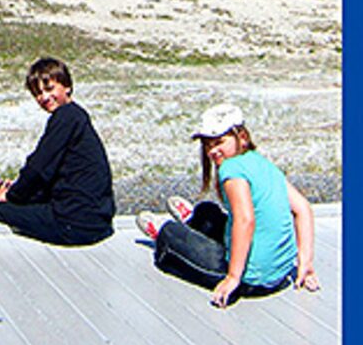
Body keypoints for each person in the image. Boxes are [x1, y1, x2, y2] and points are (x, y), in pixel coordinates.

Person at [136, 103, 321, 308]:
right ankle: (193, 220)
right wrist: (306, 264)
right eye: (208, 145)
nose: (212, 151)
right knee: (207, 211)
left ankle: (165, 231)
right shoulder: (259, 162)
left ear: (241, 137)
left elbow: (245, 220)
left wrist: (233, 277)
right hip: (279, 274)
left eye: (219, 142)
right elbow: (303, 208)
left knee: (172, 237)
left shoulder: (231, 171)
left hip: (251, 280)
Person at [0, 57, 115, 245]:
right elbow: (49, 172)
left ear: (67, 86)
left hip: (74, 224)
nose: (44, 97)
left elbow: (38, 167)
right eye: (38, 93)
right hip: (98, 221)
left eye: (49, 89)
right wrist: (17, 187)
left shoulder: (65, 117)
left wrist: (11, 195)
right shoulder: (76, 116)